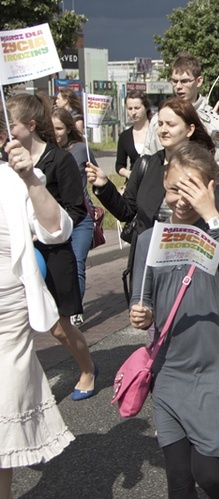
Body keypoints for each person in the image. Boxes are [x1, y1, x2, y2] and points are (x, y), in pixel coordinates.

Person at [129, 142, 219, 499]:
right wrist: (141, 314)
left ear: (209, 189)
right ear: (164, 180)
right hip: (168, 370)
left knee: (208, 475)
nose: (181, 199)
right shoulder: (149, 239)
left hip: (212, 367)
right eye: (175, 188)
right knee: (179, 479)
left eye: (192, 191)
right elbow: (142, 300)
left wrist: (213, 217)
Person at [7, 93, 97, 401]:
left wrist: (41, 229)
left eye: (12, 124)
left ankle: (87, 369)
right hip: (17, 252)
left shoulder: (59, 160)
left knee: (59, 327)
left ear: (30, 126)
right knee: (17, 323)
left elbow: (76, 209)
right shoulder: (5, 161)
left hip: (53, 251)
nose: (6, 130)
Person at [0, 137, 75, 499]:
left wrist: (31, 179)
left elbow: (57, 229)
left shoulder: (15, 180)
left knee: (4, 414)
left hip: (7, 320)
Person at [87, 98, 219, 299]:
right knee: (151, 323)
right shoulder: (146, 164)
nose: (163, 130)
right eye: (160, 124)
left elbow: (216, 218)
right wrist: (104, 186)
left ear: (190, 129)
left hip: (191, 263)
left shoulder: (204, 167)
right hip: (149, 262)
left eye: (171, 124)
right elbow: (127, 212)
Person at [142, 52, 219, 187]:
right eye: (175, 81)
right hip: (162, 197)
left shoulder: (215, 123)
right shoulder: (158, 120)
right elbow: (147, 159)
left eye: (185, 81)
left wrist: (203, 180)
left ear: (199, 81)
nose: (179, 86)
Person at [51, 108, 98, 326]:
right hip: (56, 217)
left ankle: (75, 310)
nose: (56, 132)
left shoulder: (81, 149)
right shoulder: (47, 151)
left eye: (59, 128)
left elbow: (96, 176)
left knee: (77, 263)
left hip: (81, 217)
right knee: (61, 267)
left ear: (69, 128)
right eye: (52, 128)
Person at [116, 90, 153, 180]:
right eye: (130, 108)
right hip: (134, 184)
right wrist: (129, 174)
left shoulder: (157, 131)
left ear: (146, 107)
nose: (133, 112)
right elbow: (119, 166)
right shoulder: (125, 136)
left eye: (137, 108)